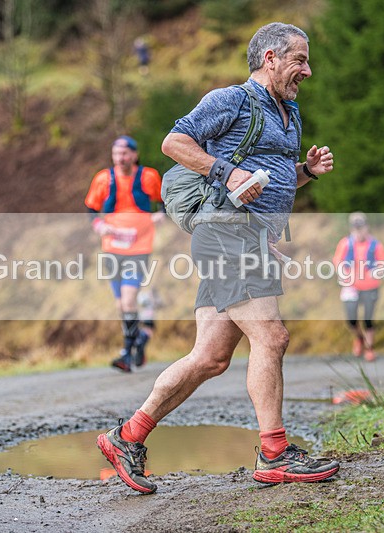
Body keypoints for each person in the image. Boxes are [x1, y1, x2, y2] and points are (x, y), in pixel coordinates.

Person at [97, 22, 339, 494]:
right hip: (228, 233)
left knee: (209, 357)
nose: (307, 71)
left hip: (248, 238)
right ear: (269, 58)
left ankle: (127, 437)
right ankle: (274, 454)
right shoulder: (231, 100)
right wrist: (226, 173)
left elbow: (267, 180)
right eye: (299, 60)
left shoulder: (288, 113)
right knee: (271, 335)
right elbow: (174, 143)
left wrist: (305, 171)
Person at [85, 135, 164, 373]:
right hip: (111, 249)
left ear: (134, 155)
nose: (121, 158)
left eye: (125, 153)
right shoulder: (103, 179)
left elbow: (163, 202)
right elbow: (91, 208)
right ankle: (141, 337)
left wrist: (160, 214)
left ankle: (126, 354)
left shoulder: (148, 177)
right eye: (116, 153)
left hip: (138, 248)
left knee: (129, 299)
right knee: (121, 304)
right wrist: (99, 226)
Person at [331, 212, 384, 362]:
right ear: (351, 229)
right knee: (351, 320)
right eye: (356, 228)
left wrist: (377, 272)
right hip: (351, 287)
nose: (359, 231)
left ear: (366, 227)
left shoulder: (376, 245)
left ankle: (369, 349)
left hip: (370, 286)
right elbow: (337, 261)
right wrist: (343, 274)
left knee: (368, 319)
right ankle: (359, 338)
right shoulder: (345, 244)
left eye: (361, 228)